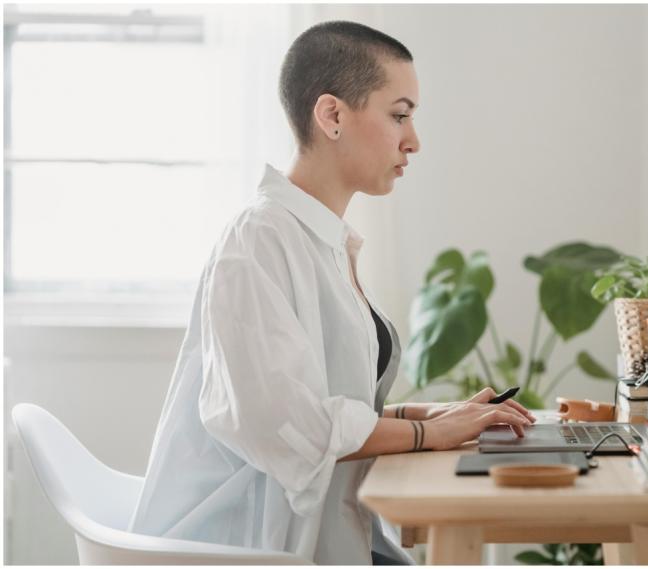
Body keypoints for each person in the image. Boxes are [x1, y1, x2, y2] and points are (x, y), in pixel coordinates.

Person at [127, 20, 535, 565]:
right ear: (332, 115)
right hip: (255, 549)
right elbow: (288, 424)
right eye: (399, 114)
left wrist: (435, 417)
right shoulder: (258, 242)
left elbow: (335, 400)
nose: (413, 140)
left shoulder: (323, 241)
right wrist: (426, 436)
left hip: (340, 531)